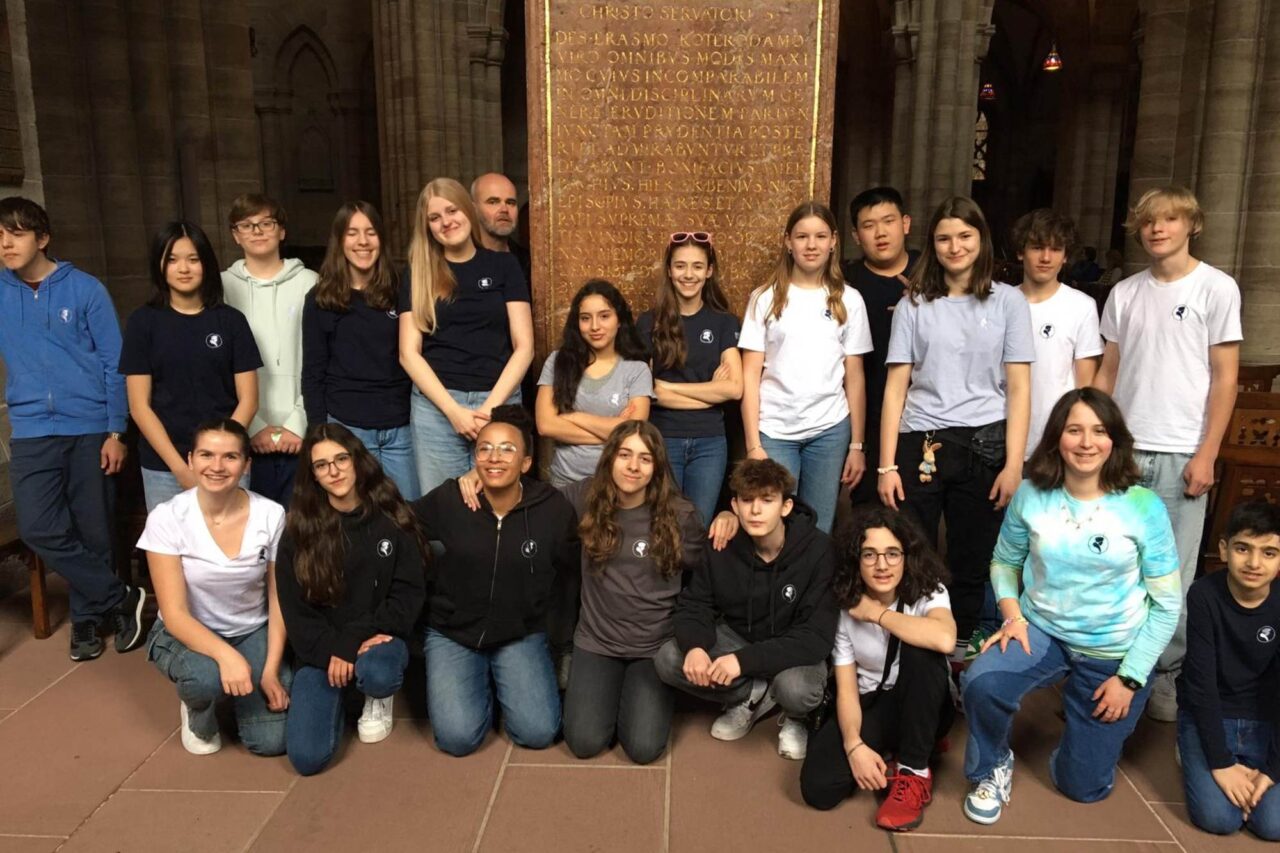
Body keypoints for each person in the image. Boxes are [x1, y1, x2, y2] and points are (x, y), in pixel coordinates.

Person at [960, 388, 1181, 823]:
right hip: (1043, 632)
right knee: (981, 681)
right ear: (1056, 438)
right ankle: (991, 766)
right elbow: (1005, 562)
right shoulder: (1030, 494)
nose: (1086, 442)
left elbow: (1167, 606)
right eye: (1074, 430)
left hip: (1114, 652)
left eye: (1099, 431)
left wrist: (1131, 678)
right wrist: (1013, 615)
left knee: (1083, 787)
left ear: (1114, 440)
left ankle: (1083, 738)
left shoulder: (1143, 507)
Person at [1094, 186, 1242, 721]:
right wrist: (1094, 435)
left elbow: (1225, 378)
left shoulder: (1216, 288)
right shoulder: (1125, 292)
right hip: (1125, 452)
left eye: (1170, 220)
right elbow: (1108, 371)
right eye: (1150, 221)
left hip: (1183, 450)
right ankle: (1106, 666)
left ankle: (1163, 675)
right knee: (1115, 563)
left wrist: (1208, 453)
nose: (1159, 229)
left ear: (1190, 225)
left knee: (1169, 574)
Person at [877, 196, 1034, 655]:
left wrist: (1015, 463)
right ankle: (911, 649)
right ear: (932, 244)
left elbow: (1020, 388)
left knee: (971, 558)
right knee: (913, 551)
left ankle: (960, 651)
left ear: (981, 239)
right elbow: (895, 388)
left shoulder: (1008, 302)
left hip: (985, 443)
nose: (954, 246)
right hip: (920, 440)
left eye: (964, 236)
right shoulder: (915, 304)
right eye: (944, 237)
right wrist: (886, 465)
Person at [0, 196, 145, 662]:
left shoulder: (86, 290)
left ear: (42, 238)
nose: (5, 243)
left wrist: (115, 431)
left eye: (16, 233)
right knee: (39, 528)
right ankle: (122, 599)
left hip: (89, 428)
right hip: (30, 430)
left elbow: (113, 364)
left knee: (94, 529)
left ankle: (87, 619)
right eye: (0, 235)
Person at [414, 405, 579, 756]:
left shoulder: (552, 510)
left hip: (519, 632)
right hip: (453, 633)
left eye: (507, 449)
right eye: (485, 448)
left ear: (526, 463)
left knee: (538, 733)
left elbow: (574, 566)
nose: (494, 457)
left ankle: (506, 682)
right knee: (457, 740)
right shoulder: (450, 499)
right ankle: (479, 687)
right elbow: (395, 521)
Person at [654, 458, 836, 760]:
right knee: (669, 658)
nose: (755, 510)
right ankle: (750, 694)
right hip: (739, 636)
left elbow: (815, 637)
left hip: (793, 649)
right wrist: (696, 646)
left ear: (786, 507)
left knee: (797, 690)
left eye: (767, 500)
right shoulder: (722, 544)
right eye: (747, 500)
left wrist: (742, 662)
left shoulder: (819, 550)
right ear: (734, 506)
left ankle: (795, 717)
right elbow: (695, 603)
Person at [276, 423, 427, 775]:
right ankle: (341, 694)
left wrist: (350, 642)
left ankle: (374, 695)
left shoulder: (392, 516)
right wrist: (335, 649)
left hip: (379, 639)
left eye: (341, 459)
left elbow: (406, 598)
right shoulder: (299, 531)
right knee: (307, 758)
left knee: (378, 672)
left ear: (357, 460)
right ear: (312, 475)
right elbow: (297, 614)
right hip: (321, 649)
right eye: (322, 464)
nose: (334, 470)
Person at [139, 419, 290, 756]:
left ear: (247, 464)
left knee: (273, 742)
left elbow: (278, 597)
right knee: (204, 677)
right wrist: (227, 657)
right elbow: (175, 615)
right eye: (207, 455)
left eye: (231, 457)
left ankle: (236, 689)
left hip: (250, 629)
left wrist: (268, 670)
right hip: (186, 632)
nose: (217, 467)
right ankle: (198, 706)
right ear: (190, 460)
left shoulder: (271, 514)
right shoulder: (167, 517)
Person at [800, 505, 956, 832]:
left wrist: (875, 614)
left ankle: (914, 771)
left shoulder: (929, 591)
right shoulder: (846, 604)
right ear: (856, 560)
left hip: (925, 700)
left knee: (921, 646)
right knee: (819, 788)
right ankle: (896, 749)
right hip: (875, 701)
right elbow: (847, 690)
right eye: (869, 555)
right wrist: (854, 745)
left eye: (892, 554)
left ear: (906, 556)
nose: (882, 565)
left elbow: (944, 639)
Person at [561, 421, 706, 764]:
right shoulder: (585, 498)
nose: (633, 466)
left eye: (645, 458)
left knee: (643, 749)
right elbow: (531, 499)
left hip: (652, 646)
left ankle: (636, 695)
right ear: (610, 458)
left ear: (657, 467)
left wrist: (729, 514)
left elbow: (709, 577)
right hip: (597, 641)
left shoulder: (680, 515)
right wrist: (475, 479)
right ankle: (600, 689)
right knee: (583, 742)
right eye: (624, 454)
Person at [740, 201, 873, 534]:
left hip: (829, 430)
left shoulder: (849, 300)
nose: (811, 245)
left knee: (818, 528)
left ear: (833, 242)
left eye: (820, 236)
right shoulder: (764, 298)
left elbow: (854, 377)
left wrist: (857, 445)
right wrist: (753, 444)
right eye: (802, 236)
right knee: (773, 527)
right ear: (788, 242)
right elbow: (750, 376)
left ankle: (810, 588)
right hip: (774, 430)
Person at [399, 178, 534, 496]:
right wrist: (453, 411)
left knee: (499, 503)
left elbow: (525, 346)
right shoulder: (418, 272)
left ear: (468, 211)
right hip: (438, 410)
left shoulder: (504, 265)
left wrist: (490, 410)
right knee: (443, 508)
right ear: (427, 226)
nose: (446, 222)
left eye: (452, 210)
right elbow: (408, 353)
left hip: (499, 402)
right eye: (435, 217)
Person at [121, 221, 262, 512]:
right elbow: (139, 406)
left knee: (233, 551)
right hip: (164, 465)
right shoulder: (142, 323)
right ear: (159, 265)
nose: (183, 268)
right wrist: (181, 468)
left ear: (206, 264)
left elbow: (249, 400)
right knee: (171, 553)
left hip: (226, 461)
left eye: (193, 259)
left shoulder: (231, 321)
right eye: (172, 260)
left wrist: (218, 458)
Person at [1177, 501, 1280, 839]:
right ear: (1223, 549)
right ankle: (1191, 751)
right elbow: (1201, 684)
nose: (1254, 563)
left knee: (1272, 825)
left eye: (1269, 553)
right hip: (1211, 714)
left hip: (1266, 718)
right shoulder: (1204, 595)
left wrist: (1271, 770)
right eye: (1242, 548)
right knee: (1219, 819)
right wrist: (1220, 762)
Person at [302, 202, 417, 500]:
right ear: (339, 240)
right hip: (347, 428)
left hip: (401, 427)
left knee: (409, 516)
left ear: (381, 238)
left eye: (370, 232)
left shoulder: (402, 289)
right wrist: (319, 434)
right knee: (353, 519)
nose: (363, 241)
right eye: (352, 233)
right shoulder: (320, 298)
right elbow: (313, 373)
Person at [637, 232, 742, 525]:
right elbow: (645, 391)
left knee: (698, 528)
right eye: (680, 265)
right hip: (663, 438)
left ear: (709, 271)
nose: (688, 274)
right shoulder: (649, 322)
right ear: (669, 270)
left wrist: (667, 387)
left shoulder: (724, 322)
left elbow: (734, 389)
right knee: (664, 526)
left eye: (697, 266)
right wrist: (710, 391)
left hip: (710, 442)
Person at [222, 193, 316, 506]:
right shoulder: (221, 288)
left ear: (282, 231)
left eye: (266, 223)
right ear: (236, 235)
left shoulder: (311, 283)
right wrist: (253, 427)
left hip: (301, 432)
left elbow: (320, 361)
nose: (258, 231)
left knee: (302, 532)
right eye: (247, 225)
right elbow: (219, 366)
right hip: (245, 432)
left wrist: (296, 425)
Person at [842, 187, 920, 507]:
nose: (880, 232)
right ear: (856, 236)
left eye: (888, 221)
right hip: (866, 413)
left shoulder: (931, 273)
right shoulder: (844, 282)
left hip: (922, 414)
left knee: (918, 515)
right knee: (870, 512)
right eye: (869, 225)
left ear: (905, 223)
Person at [538, 279, 652, 488]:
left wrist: (572, 416)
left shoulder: (637, 370)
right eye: (585, 318)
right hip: (564, 483)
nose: (595, 326)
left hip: (615, 485)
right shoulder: (557, 361)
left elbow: (632, 431)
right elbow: (545, 425)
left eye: (604, 316)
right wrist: (612, 433)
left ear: (619, 320)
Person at [1012, 209, 1103, 457]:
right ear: (1021, 252)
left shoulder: (1081, 306)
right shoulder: (1001, 303)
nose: (1045, 257)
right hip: (1000, 439)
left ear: (1065, 257)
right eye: (1037, 247)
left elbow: (1086, 386)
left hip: (1054, 440)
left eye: (1055, 249)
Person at [470, 172, 531, 282]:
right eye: (493, 202)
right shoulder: (460, 259)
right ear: (474, 209)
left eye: (510, 202)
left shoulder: (529, 263)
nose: (504, 209)